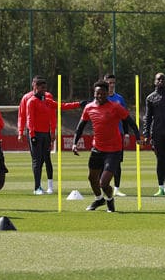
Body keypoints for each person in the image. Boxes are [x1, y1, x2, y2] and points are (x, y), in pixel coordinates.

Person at [72, 80, 141, 212]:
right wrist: (75, 143)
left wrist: (137, 137)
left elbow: (130, 121)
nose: (100, 96)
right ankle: (99, 199)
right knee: (92, 178)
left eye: (103, 93)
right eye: (98, 93)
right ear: (94, 93)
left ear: (106, 94)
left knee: (103, 183)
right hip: (97, 148)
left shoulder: (115, 107)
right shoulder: (89, 107)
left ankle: (110, 199)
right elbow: (80, 126)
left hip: (113, 150)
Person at [25, 77, 85, 195]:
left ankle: (47, 186)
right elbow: (29, 119)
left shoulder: (47, 101)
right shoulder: (31, 101)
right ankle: (37, 187)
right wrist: (32, 135)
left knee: (45, 159)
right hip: (35, 133)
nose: (44, 90)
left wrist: (78, 104)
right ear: (35, 87)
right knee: (37, 161)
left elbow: (62, 105)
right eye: (42, 88)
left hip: (45, 133)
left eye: (45, 88)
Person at [103, 74, 129, 197]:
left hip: (118, 135)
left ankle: (117, 188)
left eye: (113, 83)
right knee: (102, 163)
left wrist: (127, 134)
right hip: (104, 136)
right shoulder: (99, 98)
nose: (111, 85)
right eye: (109, 83)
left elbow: (125, 118)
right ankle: (102, 187)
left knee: (117, 163)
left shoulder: (120, 99)